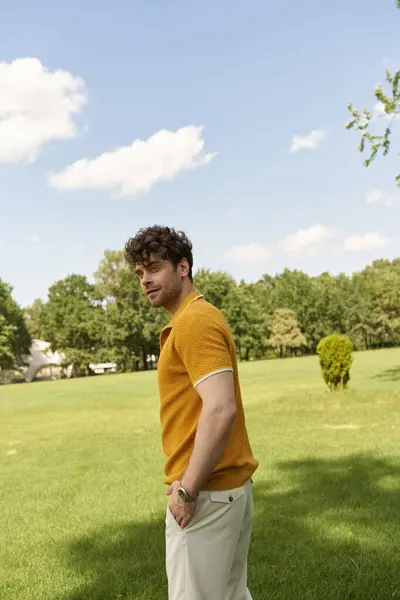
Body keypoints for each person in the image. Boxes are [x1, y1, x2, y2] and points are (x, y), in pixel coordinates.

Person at [124, 225, 259, 600]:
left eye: (153, 268)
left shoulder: (195, 321)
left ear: (182, 267)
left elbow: (220, 409)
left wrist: (187, 489)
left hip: (207, 497)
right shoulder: (188, 320)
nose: (145, 280)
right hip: (222, 492)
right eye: (139, 273)